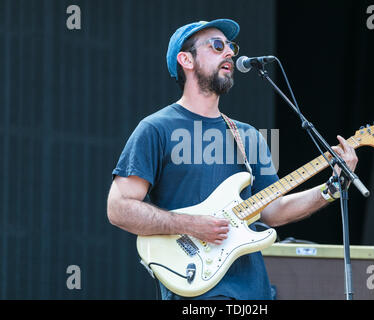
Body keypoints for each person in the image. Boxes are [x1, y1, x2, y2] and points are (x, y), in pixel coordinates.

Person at [107, 18, 358, 300]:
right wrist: (188, 225)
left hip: (254, 293)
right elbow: (119, 208)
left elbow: (273, 210)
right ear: (186, 60)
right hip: (196, 290)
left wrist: (331, 189)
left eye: (230, 47)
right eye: (217, 46)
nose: (229, 53)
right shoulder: (155, 129)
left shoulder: (249, 136)